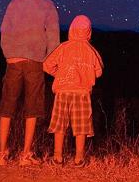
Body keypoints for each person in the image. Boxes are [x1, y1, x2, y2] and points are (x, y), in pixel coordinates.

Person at [0, 0, 60, 167]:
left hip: (13, 61)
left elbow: (5, 30)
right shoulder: (48, 6)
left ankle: (2, 153)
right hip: (34, 62)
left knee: (7, 106)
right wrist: (50, 62)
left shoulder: (14, 2)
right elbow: (53, 38)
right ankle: (26, 154)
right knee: (32, 108)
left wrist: (9, 54)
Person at [43, 14, 103, 167]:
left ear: (71, 29)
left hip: (63, 91)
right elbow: (99, 71)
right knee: (81, 126)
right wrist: (86, 75)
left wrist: (62, 74)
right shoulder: (91, 51)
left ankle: (58, 157)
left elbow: (47, 65)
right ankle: (79, 158)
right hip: (82, 93)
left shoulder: (64, 47)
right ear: (89, 32)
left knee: (59, 124)